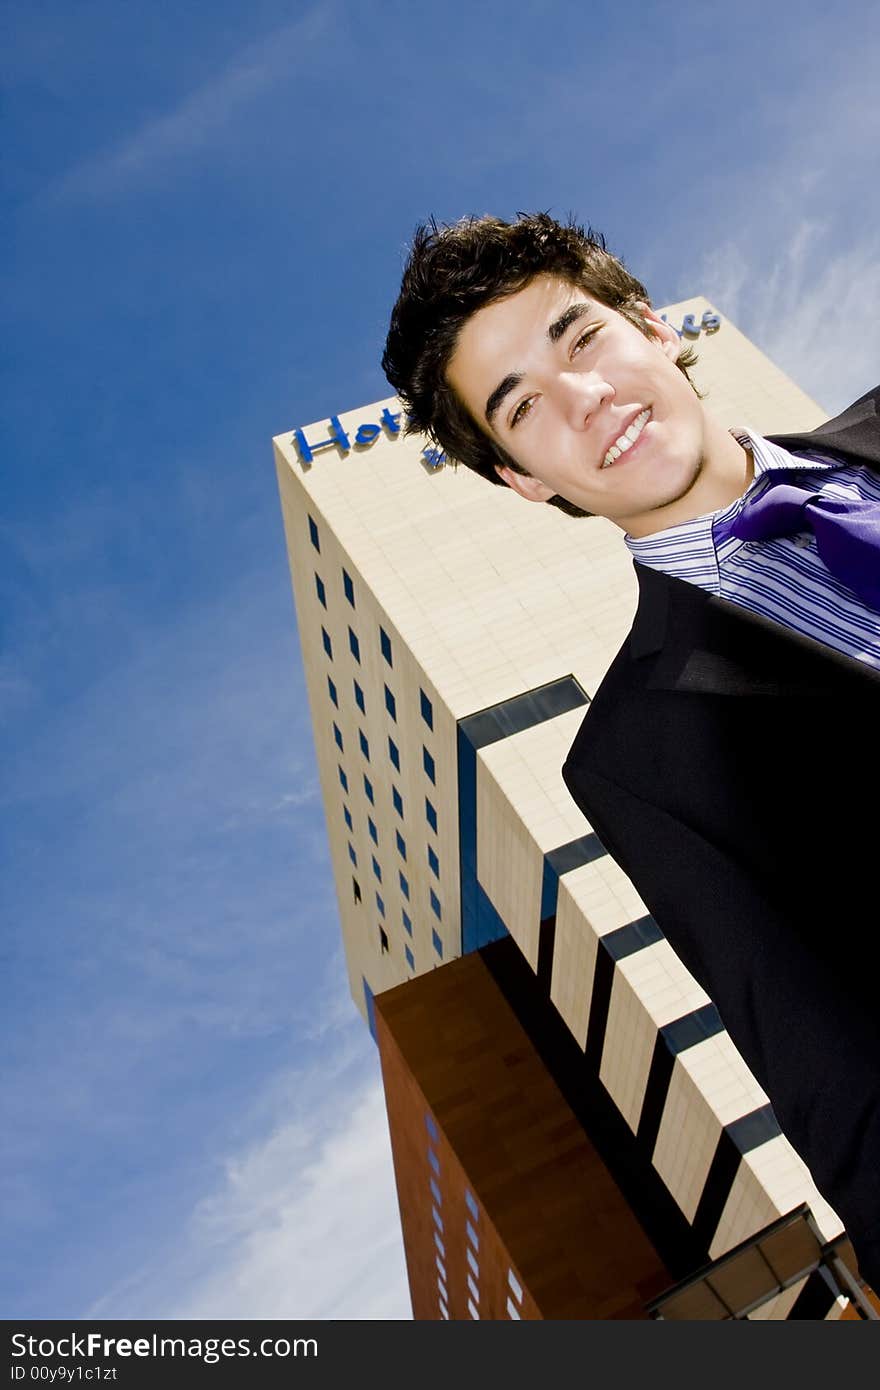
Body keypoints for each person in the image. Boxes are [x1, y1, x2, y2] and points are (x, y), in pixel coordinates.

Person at [382, 212, 880, 1291]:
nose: (583, 396)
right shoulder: (637, 763)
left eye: (579, 338)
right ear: (521, 477)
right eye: (522, 407)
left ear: (649, 325)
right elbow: (837, 1083)